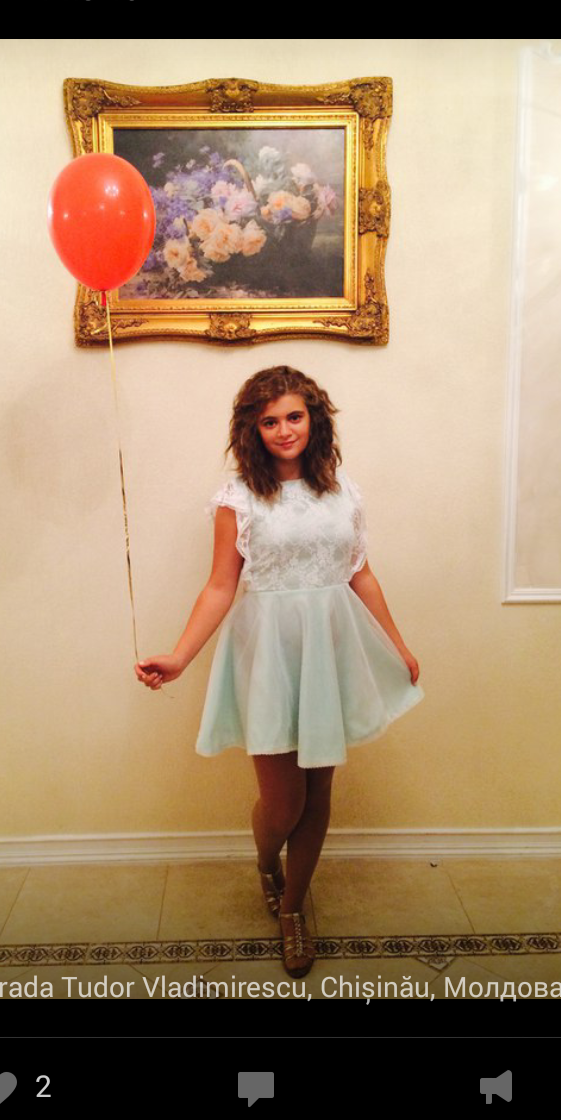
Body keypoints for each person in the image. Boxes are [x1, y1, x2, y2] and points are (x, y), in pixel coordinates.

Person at [135, 366, 424, 978]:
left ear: (314, 419)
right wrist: (179, 657)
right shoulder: (237, 499)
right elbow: (220, 586)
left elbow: (360, 572)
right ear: (253, 429)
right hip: (268, 650)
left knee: (319, 793)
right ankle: (267, 861)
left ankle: (293, 908)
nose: (284, 430)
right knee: (283, 798)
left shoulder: (343, 490)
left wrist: (396, 645)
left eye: (294, 416)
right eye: (270, 421)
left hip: (331, 648)